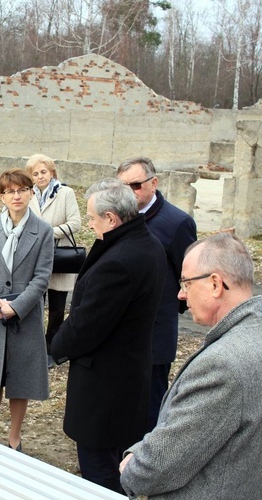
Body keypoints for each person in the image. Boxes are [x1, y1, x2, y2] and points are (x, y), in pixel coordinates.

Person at [119, 233, 262, 499]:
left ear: (215, 284)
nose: (180, 294)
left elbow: (154, 469)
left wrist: (133, 465)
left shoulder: (223, 365)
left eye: (185, 283)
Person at [50, 178, 166, 493]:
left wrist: (54, 346)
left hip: (105, 390)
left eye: (92, 218)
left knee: (101, 473)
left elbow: (86, 326)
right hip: (127, 378)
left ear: (112, 219)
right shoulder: (147, 243)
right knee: (115, 464)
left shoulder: (118, 262)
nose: (88, 224)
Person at [0, 168, 54, 452]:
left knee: (21, 377)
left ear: (31, 192)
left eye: (22, 190)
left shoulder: (42, 230)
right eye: (9, 191)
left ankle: (15, 437)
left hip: (24, 317)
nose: (16, 196)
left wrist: (16, 307)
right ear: (2, 196)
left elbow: (42, 277)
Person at [117, 157, 197, 431]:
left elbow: (188, 277)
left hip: (154, 336)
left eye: (136, 185)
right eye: (123, 186)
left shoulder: (177, 223)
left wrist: (164, 308)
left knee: (149, 407)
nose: (130, 192)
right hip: (119, 331)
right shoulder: (117, 216)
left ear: (154, 183)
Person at [26, 154, 82, 370]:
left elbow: (75, 222)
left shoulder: (65, 193)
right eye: (35, 173)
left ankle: (52, 348)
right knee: (35, 304)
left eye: (43, 172)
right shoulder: (28, 195)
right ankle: (36, 347)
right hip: (35, 258)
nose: (40, 176)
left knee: (57, 308)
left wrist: (48, 232)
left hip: (60, 257)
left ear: (52, 172)